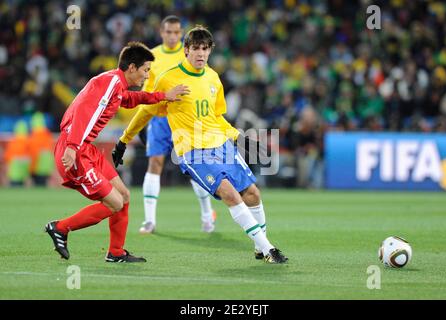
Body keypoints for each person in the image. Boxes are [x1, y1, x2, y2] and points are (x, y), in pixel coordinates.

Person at [113, 26, 288, 264]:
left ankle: (260, 246)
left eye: (205, 49)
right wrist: (123, 140)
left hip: (221, 145)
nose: (200, 54)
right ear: (186, 50)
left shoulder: (213, 78)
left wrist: (239, 138)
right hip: (193, 151)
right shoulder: (169, 79)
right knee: (229, 193)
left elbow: (217, 118)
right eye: (195, 48)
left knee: (252, 194)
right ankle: (269, 249)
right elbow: (145, 111)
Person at [44, 42, 189, 262]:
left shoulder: (115, 84)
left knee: (124, 195)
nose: (147, 75)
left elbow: (130, 99)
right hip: (75, 147)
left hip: (86, 148)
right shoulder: (110, 82)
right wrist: (73, 147)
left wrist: (162, 96)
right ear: (132, 67)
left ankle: (116, 252)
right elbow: (86, 112)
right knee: (115, 203)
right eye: (145, 70)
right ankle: (60, 228)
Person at [114, 16, 216, 235]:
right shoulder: (152, 56)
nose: (173, 36)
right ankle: (150, 220)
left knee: (195, 169)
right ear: (162, 33)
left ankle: (207, 215)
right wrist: (144, 119)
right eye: (168, 32)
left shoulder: (190, 53)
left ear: (181, 35)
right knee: (156, 163)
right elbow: (146, 90)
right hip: (160, 118)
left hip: (185, 118)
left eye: (177, 32)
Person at [29, 112, 54, 186]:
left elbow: (33, 153)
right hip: (45, 167)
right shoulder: (47, 134)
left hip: (36, 167)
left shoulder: (34, 135)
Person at [4, 120, 31, 186]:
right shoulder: (28, 142)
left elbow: (7, 157)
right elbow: (31, 157)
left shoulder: (13, 142)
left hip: (14, 173)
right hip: (24, 172)